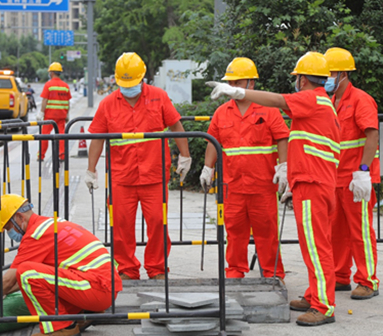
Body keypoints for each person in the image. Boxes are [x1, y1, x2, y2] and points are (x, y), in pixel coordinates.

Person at [207, 51, 340, 326]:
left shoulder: (312, 98)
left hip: (313, 184)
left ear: (302, 79)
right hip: (311, 181)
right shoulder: (321, 103)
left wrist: (238, 93)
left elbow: (278, 102)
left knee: (316, 248)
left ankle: (323, 307)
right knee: (313, 245)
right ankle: (315, 295)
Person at [0, 194, 122, 336]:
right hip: (102, 287)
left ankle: (61, 328)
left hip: (96, 289)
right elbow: (22, 282)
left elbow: (13, 279)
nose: (10, 234)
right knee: (30, 275)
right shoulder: (51, 224)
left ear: (19, 217)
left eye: (8, 227)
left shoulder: (36, 235)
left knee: (26, 272)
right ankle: (84, 314)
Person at [85, 52, 192, 280]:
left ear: (143, 78)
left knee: (157, 224)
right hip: (121, 178)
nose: (129, 88)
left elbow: (175, 125)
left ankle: (157, 269)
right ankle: (126, 270)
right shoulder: (107, 104)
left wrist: (185, 156)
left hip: (154, 175)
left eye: (132, 83)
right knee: (121, 226)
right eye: (125, 84)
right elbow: (97, 138)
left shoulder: (158, 97)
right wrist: (90, 169)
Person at [200, 57, 290, 280]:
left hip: (262, 185)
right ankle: (234, 272)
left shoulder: (268, 109)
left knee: (267, 233)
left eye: (237, 82)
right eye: (230, 82)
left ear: (251, 83)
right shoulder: (222, 112)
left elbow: (282, 138)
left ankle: (272, 274)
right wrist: (207, 168)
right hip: (233, 186)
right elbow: (212, 141)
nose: (232, 87)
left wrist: (284, 166)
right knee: (235, 233)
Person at [324, 47, 380, 299]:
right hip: (335, 178)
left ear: (343, 73)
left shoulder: (360, 100)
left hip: (356, 178)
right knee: (336, 231)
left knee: (360, 231)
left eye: (330, 73)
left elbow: (372, 135)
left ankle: (367, 280)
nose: (326, 78)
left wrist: (364, 172)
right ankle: (340, 276)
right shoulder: (329, 102)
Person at [37, 62, 72, 162]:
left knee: (45, 135)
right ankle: (62, 155)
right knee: (61, 135)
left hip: (49, 115)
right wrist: (67, 114)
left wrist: (41, 112)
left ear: (51, 73)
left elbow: (44, 100)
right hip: (61, 115)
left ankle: (41, 155)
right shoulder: (65, 86)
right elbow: (68, 102)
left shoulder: (48, 85)